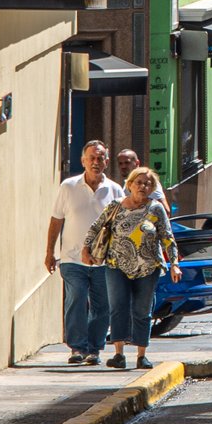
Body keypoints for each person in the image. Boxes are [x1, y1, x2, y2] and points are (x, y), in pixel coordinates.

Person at [89, 167, 180, 370]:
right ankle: (119, 354)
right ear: (129, 185)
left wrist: (174, 263)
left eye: (148, 184)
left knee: (142, 310)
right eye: (138, 183)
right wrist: (87, 249)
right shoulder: (115, 206)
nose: (143, 186)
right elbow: (95, 227)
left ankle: (141, 354)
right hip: (116, 265)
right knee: (118, 307)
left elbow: (167, 237)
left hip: (148, 268)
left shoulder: (155, 209)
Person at [45, 142, 124, 364]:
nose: (95, 162)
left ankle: (94, 349)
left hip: (103, 261)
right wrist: (49, 252)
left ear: (106, 162)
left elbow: (120, 225)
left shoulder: (115, 190)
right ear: (83, 161)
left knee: (102, 306)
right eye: (91, 158)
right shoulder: (68, 187)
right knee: (77, 297)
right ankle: (77, 347)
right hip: (72, 258)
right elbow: (56, 220)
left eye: (100, 158)